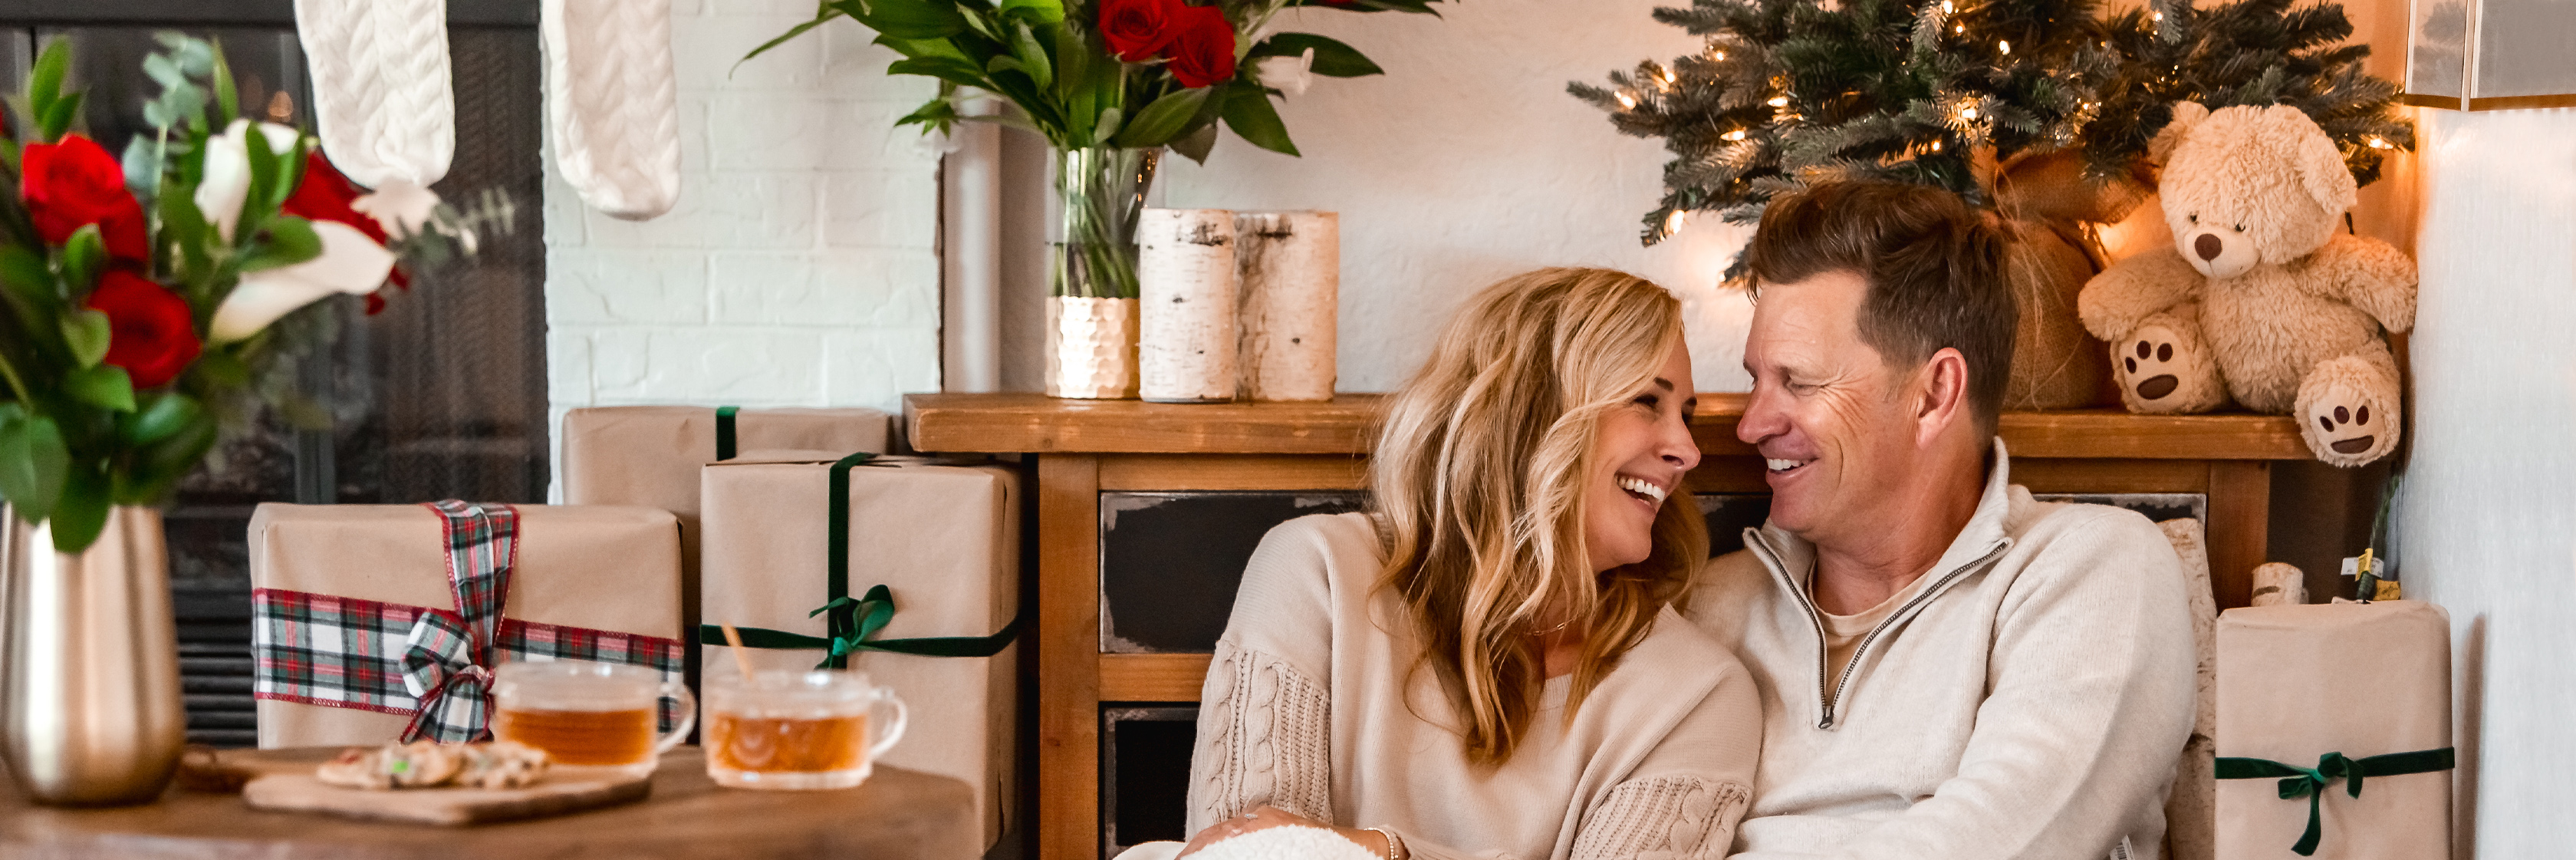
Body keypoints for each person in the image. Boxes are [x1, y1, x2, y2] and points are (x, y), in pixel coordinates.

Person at [1160, 268, 1763, 860]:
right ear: (1531, 414)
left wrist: (1377, 850)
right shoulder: (1318, 572)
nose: (1687, 451)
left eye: (1684, 414)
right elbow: (1245, 850)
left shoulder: (1697, 693)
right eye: (1645, 401)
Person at [1685, 181, 2196, 860]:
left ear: (1934, 393)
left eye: (1799, 382)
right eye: (1756, 380)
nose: (1752, 424)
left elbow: (2011, 841)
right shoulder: (1707, 607)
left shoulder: (2090, 571)